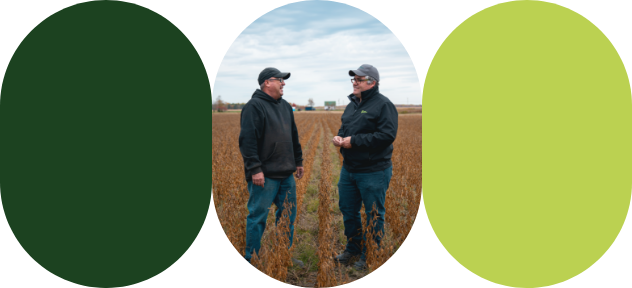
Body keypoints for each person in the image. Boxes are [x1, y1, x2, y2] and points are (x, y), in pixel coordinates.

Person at [332, 64, 398, 270]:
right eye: (354, 79)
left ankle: (371, 254)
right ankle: (353, 248)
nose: (355, 82)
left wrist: (355, 141)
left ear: (372, 82)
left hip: (373, 170)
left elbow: (387, 136)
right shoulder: (352, 104)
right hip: (349, 169)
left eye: (359, 80)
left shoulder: (383, 105)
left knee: (373, 213)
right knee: (348, 211)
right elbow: (345, 128)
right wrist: (339, 137)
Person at [239, 67, 305, 268]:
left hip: (286, 174)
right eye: (280, 80)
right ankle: (252, 258)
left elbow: (293, 135)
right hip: (264, 176)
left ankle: (283, 255)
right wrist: (255, 169)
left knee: (287, 217)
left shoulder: (285, 106)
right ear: (267, 82)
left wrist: (298, 161)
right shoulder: (254, 106)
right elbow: (247, 141)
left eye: (283, 80)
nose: (283, 83)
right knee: (258, 217)